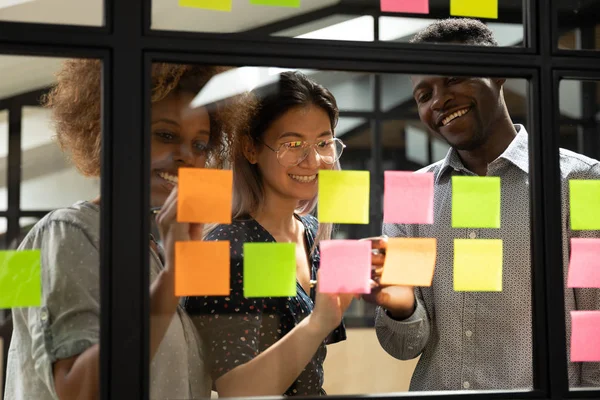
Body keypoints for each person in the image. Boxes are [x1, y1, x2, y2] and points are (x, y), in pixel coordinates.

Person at [364, 18, 600, 391]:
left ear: (499, 73)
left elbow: (597, 316)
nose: (439, 100)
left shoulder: (580, 181)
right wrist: (399, 304)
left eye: (455, 78)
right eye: (424, 95)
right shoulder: (412, 193)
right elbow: (404, 345)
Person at [5, 60, 242, 400]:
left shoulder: (156, 247)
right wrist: (174, 277)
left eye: (201, 145)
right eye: (166, 135)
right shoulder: (65, 231)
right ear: (114, 135)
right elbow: (78, 390)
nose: (188, 157)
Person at [184, 71, 352, 397]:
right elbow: (235, 390)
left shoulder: (311, 234)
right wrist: (317, 322)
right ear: (250, 149)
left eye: (323, 142)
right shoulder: (230, 245)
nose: (314, 160)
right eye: (292, 144)